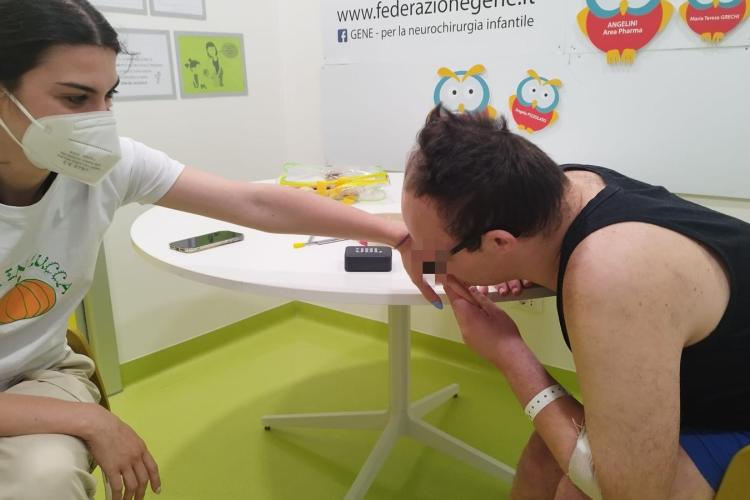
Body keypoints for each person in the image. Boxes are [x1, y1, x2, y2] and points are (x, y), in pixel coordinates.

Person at [0, 2, 434, 499]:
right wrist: (91, 420)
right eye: (76, 98)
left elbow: (254, 203)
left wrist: (397, 236)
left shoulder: (107, 167)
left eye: (109, 96)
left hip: (38, 373)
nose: (99, 120)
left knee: (45, 480)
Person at [400, 107, 750, 499]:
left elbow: (630, 494)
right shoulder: (565, 187)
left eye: (434, 254)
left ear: (499, 242)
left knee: (577, 490)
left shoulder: (611, 273)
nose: (427, 263)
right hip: (709, 382)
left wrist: (509, 352)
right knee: (544, 456)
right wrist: (521, 265)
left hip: (735, 414)